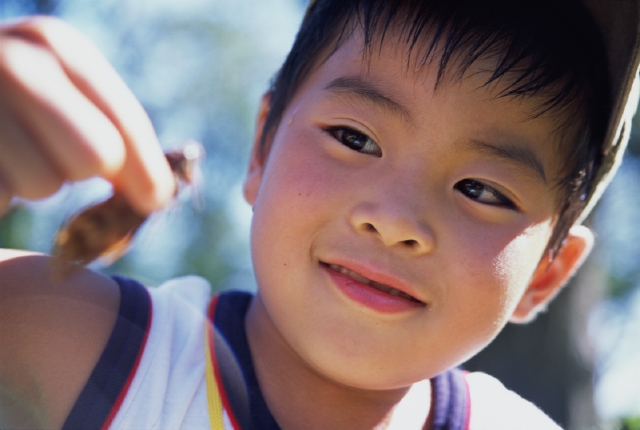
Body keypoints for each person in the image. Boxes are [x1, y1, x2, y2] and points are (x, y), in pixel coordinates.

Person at [1, 0, 639, 428]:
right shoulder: (76, 344)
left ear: (546, 274)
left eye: (482, 190)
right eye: (355, 139)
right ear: (260, 149)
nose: (394, 221)